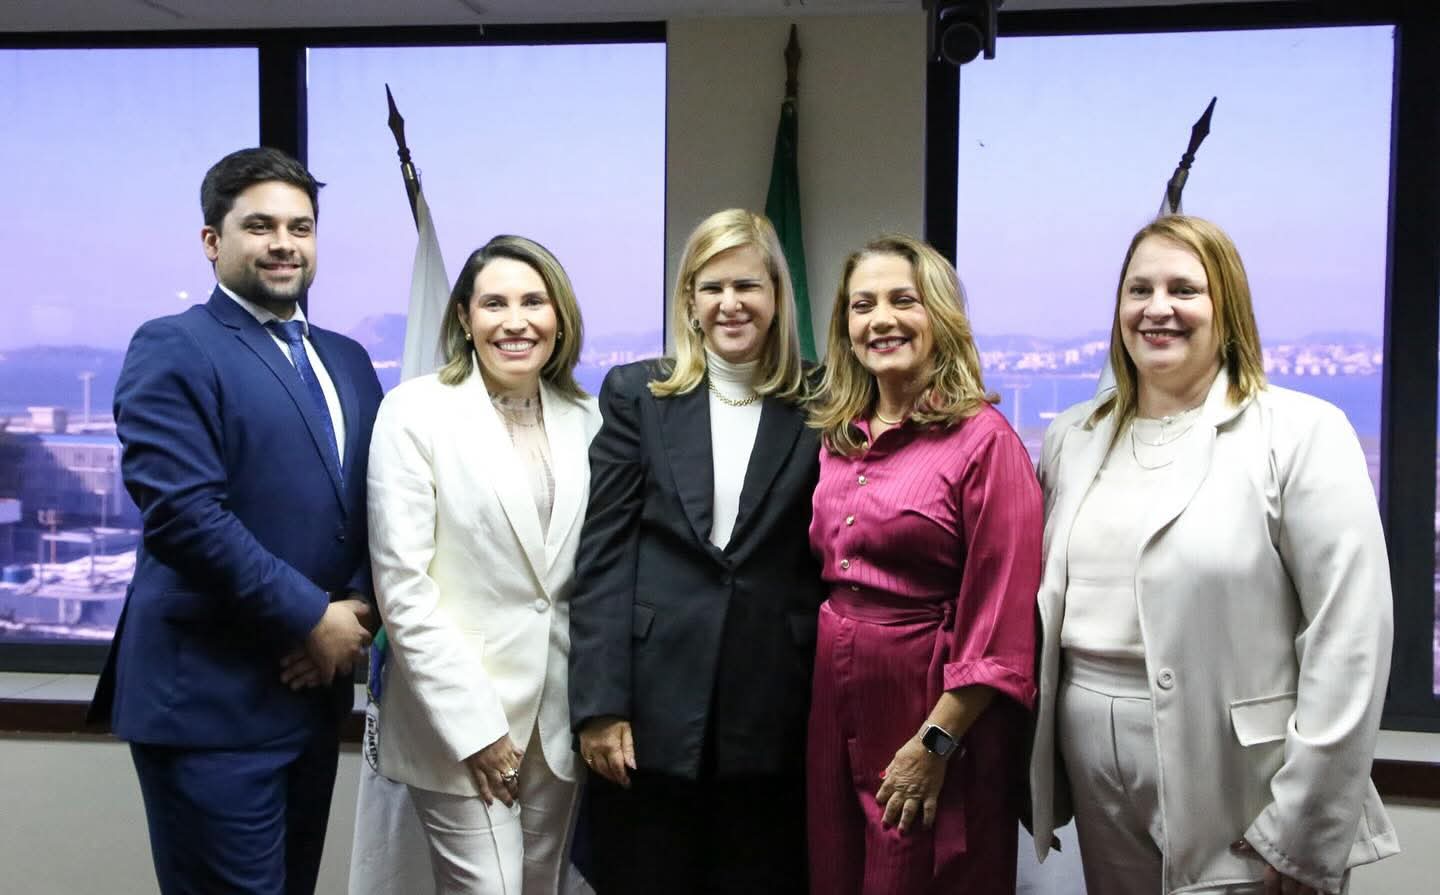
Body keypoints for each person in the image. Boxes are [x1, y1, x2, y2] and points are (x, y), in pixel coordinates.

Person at [1028, 215, 1400, 895]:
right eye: (1139, 289)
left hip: (1246, 781)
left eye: (1184, 289)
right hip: (1096, 777)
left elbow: (1351, 638)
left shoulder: (1302, 432)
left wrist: (1305, 825)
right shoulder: (1071, 438)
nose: (1157, 308)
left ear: (1226, 306)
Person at [87, 146, 383, 894]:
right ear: (212, 240)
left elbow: (377, 503)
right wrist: (311, 616)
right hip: (208, 705)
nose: (284, 243)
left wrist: (353, 614)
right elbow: (184, 516)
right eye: (260, 226)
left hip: (309, 697)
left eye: (300, 227)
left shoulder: (348, 360)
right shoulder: (174, 345)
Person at [568, 209, 823, 894]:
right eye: (712, 287)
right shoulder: (638, 394)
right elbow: (604, 557)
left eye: (747, 285)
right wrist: (599, 705)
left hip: (776, 710)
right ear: (689, 299)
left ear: (777, 295)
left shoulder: (824, 397)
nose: (730, 303)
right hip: (650, 713)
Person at [805, 233, 1042, 895]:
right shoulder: (839, 436)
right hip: (833, 703)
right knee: (836, 870)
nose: (881, 319)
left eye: (902, 300)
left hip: (934, 712)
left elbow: (1001, 634)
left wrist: (935, 745)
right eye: (863, 305)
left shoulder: (986, 444)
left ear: (939, 315)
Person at [365, 235, 601, 894]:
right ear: (465, 318)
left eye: (534, 302)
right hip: (458, 721)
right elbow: (403, 589)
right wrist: (476, 729)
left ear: (560, 317)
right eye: (495, 303)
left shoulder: (589, 418)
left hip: (558, 722)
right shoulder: (415, 412)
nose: (515, 321)